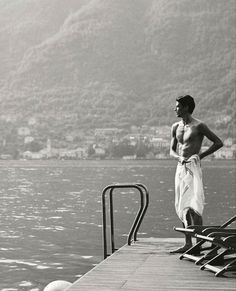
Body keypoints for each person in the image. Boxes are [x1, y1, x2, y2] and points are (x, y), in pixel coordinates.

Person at [169, 95, 223, 253]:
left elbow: (218, 142)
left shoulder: (199, 125)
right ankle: (188, 243)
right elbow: (172, 150)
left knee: (194, 205)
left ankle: (199, 243)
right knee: (182, 204)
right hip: (180, 168)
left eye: (178, 106)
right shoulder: (175, 127)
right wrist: (178, 157)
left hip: (193, 168)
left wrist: (199, 156)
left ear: (186, 107)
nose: (175, 108)